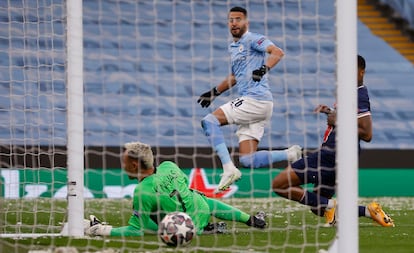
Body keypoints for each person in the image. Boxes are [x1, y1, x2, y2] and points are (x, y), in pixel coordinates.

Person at [271, 55, 394, 227]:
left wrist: (337, 120)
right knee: (318, 207)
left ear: (361, 72)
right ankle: (368, 210)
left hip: (332, 154)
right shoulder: (349, 92)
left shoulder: (359, 94)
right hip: (340, 155)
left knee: (279, 184)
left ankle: (332, 207)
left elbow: (367, 133)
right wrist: (330, 111)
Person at [197, 6, 302, 193]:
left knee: (209, 121)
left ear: (246, 22)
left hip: (256, 100)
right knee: (247, 159)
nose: (234, 23)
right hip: (257, 105)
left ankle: (228, 169)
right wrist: (213, 92)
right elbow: (234, 77)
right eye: (231, 20)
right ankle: (290, 153)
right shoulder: (234, 48)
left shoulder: (253, 39)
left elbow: (277, 52)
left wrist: (264, 69)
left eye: (238, 19)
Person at [84, 141, 267, 237]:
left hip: (181, 227)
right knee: (200, 198)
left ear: (133, 165)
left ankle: (99, 226)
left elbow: (135, 231)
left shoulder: (142, 191)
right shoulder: (169, 165)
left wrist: (101, 231)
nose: (122, 165)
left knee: (144, 219)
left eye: (124, 162)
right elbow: (182, 186)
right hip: (199, 210)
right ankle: (252, 220)